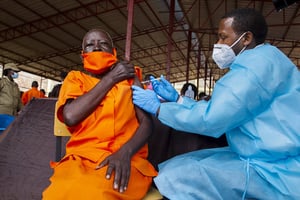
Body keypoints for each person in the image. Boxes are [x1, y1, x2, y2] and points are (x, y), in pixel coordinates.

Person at [132, 8, 300, 199]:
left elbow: (212, 118)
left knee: (177, 176)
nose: (218, 44)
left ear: (246, 38)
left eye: (223, 37)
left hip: (272, 170)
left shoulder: (252, 70)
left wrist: (160, 108)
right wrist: (178, 100)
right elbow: (222, 107)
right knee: (185, 163)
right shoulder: (269, 58)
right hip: (271, 157)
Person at [42, 28, 157, 200]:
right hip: (81, 159)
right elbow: (71, 116)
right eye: (90, 45)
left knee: (97, 193)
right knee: (56, 194)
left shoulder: (130, 79)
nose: (96, 48)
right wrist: (111, 78)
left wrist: (125, 153)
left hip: (126, 159)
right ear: (83, 56)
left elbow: (147, 124)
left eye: (103, 44)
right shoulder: (75, 79)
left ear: (114, 52)